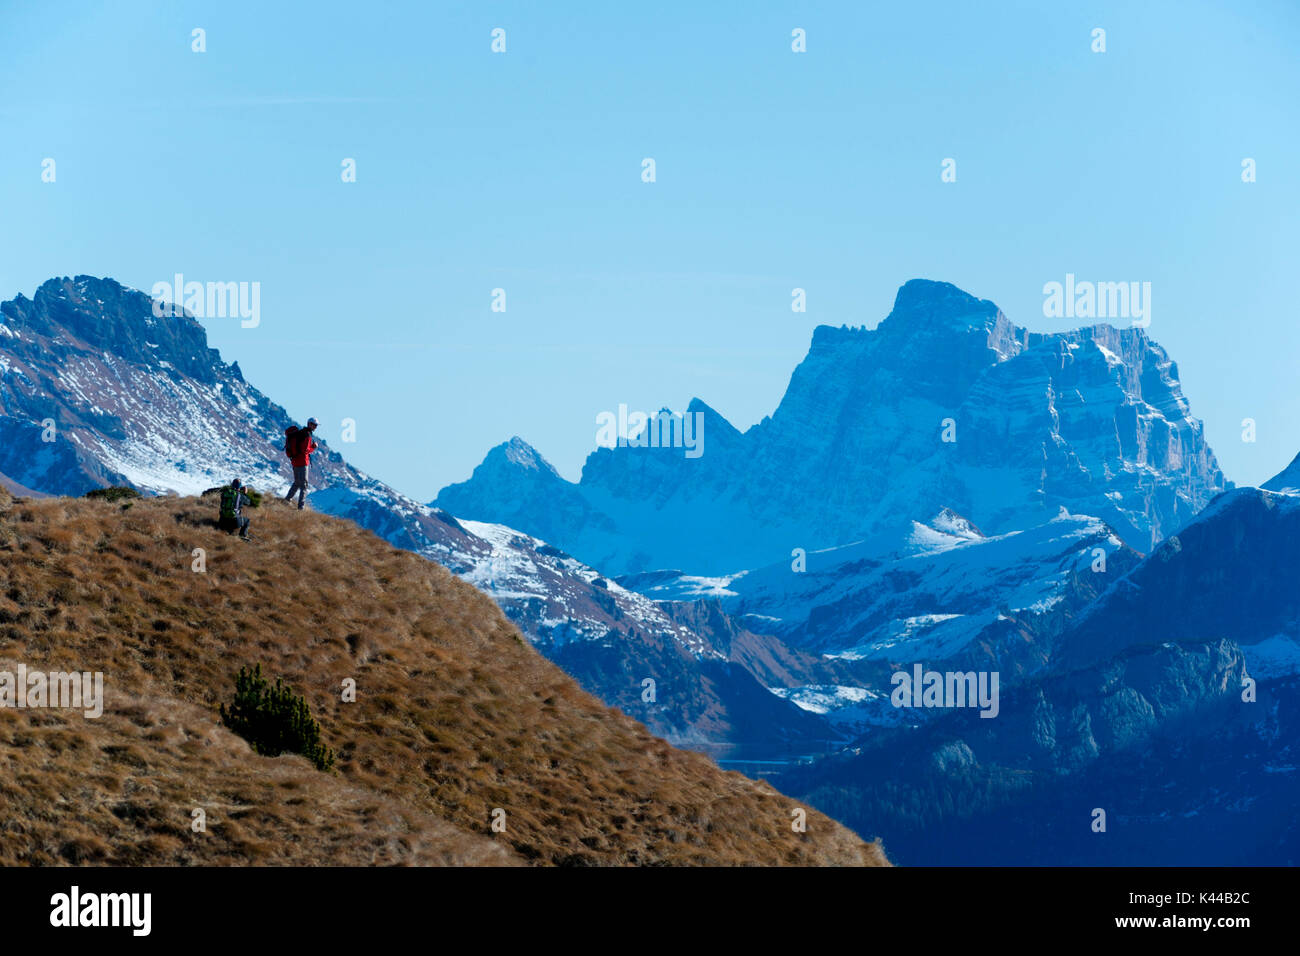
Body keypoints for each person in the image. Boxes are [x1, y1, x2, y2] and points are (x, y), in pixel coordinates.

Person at [283, 417, 320, 510]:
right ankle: (301, 507)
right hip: (302, 461)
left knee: (297, 482)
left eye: (316, 425)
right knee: (304, 485)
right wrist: (313, 447)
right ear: (309, 424)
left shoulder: (300, 433)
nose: (315, 427)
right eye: (314, 425)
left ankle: (287, 500)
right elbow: (305, 450)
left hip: (294, 461)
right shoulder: (307, 435)